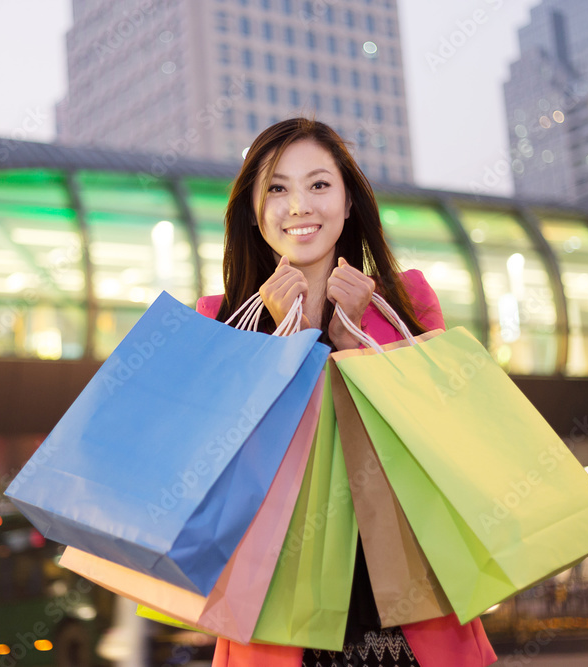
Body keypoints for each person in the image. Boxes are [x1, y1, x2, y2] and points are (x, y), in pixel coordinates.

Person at [195, 118, 498, 667]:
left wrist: (351, 344)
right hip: (278, 621)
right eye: (277, 188)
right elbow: (219, 482)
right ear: (253, 211)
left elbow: (441, 452)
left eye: (318, 184)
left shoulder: (406, 306)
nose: (299, 206)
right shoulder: (222, 325)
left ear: (348, 201)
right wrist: (292, 341)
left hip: (409, 615)